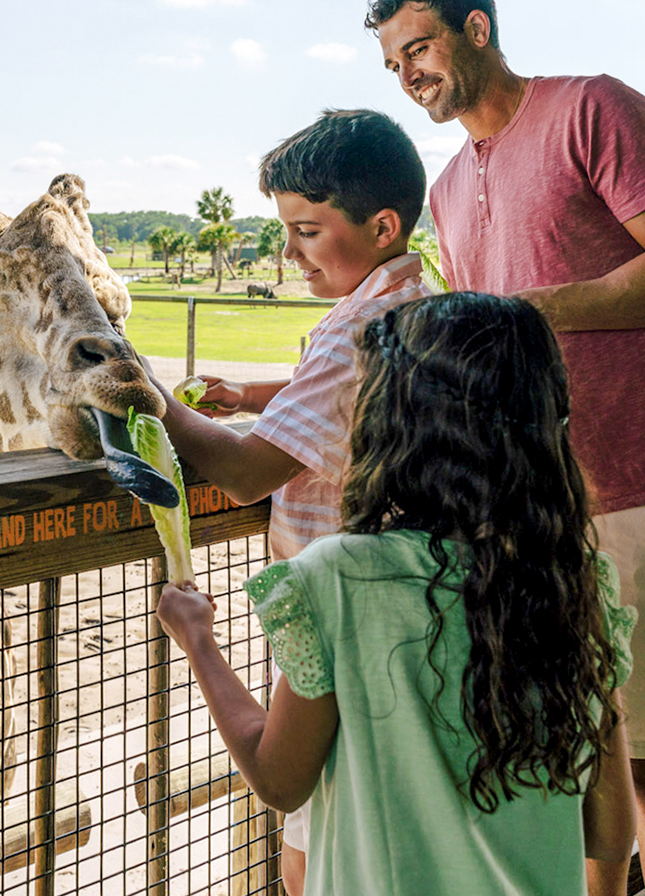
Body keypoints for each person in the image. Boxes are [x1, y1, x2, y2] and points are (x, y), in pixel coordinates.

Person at [367, 0, 645, 896]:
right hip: (529, 512)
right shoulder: (450, 188)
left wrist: (530, 308)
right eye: (391, 62)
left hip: (642, 489)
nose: (408, 72)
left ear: (477, 28)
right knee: (572, 770)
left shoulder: (592, 109)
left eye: (418, 46)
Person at [157, 291, 639, 896]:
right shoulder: (576, 578)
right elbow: (612, 829)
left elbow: (279, 780)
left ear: (392, 424)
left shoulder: (338, 578)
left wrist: (198, 639)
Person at [147, 108, 433, 894]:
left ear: (381, 226)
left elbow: (243, 474)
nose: (289, 252)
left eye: (307, 231)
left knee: (308, 850)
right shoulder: (422, 301)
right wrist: (252, 392)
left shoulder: (355, 332)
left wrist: (146, 393)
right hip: (404, 618)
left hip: (338, 619)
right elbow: (337, 396)